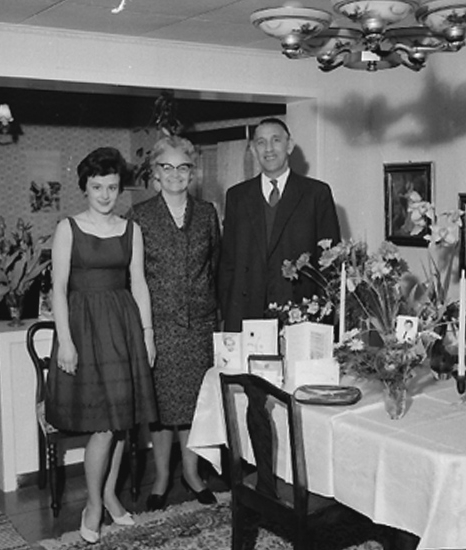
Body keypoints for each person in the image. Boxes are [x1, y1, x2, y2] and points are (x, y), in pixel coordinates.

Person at [45, 147, 157, 544]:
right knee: (105, 426)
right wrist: (65, 342)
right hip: (84, 329)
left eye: (112, 187)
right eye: (97, 187)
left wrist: (147, 334)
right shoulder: (68, 228)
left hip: (123, 327)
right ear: (85, 188)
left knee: (122, 421)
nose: (105, 195)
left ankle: (110, 496)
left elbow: (138, 283)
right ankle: (92, 504)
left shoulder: (131, 230)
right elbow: (58, 288)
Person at [127, 135, 220, 511]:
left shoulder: (207, 213)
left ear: (192, 173)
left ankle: (192, 473)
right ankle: (163, 476)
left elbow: (216, 266)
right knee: (161, 409)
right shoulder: (140, 216)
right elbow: (132, 276)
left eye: (183, 167)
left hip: (199, 326)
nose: (176, 174)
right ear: (155, 172)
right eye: (167, 167)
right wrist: (142, 330)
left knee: (196, 404)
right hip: (159, 327)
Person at [219, 117, 341, 331]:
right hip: (247, 314)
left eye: (276, 140)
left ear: (289, 145)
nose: (268, 149)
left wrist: (324, 319)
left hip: (300, 314)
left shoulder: (316, 194)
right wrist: (228, 316)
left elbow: (329, 264)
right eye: (261, 142)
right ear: (253, 149)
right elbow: (228, 264)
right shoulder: (237, 196)